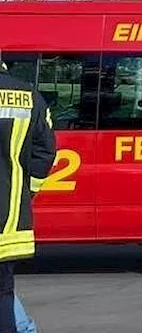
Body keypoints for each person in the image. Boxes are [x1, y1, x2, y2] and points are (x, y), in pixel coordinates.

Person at [0, 59, 56, 333]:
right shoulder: (29, 96)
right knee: (3, 298)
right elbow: (45, 153)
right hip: (9, 225)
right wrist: (25, 191)